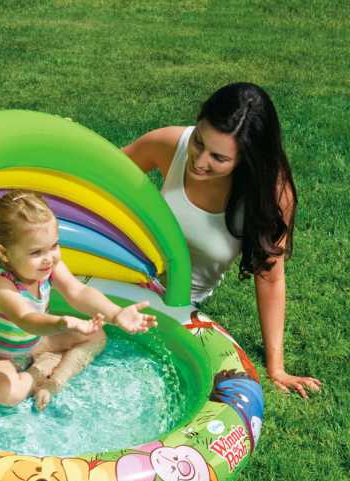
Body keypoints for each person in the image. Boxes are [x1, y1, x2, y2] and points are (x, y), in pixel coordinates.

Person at [122, 82, 321, 398]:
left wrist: (277, 368)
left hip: (175, 301)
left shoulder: (269, 195)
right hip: (119, 271)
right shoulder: (169, 144)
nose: (199, 161)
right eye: (199, 142)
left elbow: (270, 278)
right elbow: (103, 177)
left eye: (218, 157)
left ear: (247, 159)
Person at [0, 190, 157, 410]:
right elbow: (26, 318)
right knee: (7, 394)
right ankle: (38, 370)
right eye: (36, 252)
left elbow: (78, 292)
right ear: (4, 253)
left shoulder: (49, 268)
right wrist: (61, 323)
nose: (49, 258)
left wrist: (116, 313)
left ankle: (55, 381)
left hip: (34, 341)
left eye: (54, 246)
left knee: (96, 335)